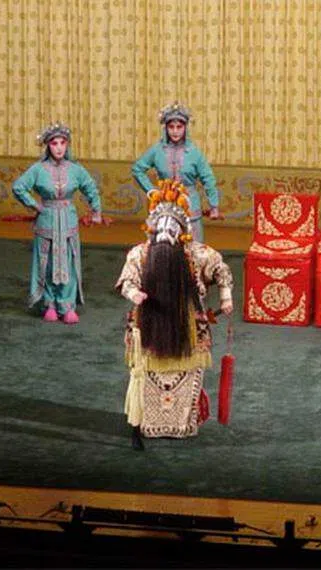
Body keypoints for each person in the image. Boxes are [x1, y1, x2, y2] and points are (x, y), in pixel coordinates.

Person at [115, 179, 233, 450]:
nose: (165, 236)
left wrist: (226, 296)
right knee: (146, 376)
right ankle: (146, 422)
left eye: (172, 229)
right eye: (160, 229)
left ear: (182, 233)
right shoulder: (140, 254)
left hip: (188, 327)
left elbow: (222, 270)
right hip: (149, 325)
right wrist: (134, 294)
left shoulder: (198, 254)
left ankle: (183, 423)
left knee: (187, 374)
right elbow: (126, 281)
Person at [11, 121, 103, 323]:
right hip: (47, 220)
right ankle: (49, 304)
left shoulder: (75, 169)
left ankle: (67, 305)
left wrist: (96, 210)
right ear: (48, 146)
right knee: (47, 262)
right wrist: (35, 205)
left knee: (68, 261)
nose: (59, 148)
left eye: (63, 143)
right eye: (54, 143)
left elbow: (90, 188)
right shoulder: (38, 169)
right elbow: (18, 187)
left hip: (68, 220)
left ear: (67, 145)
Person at [131, 101, 221, 243]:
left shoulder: (194, 153)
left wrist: (214, 206)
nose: (175, 131)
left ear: (185, 128)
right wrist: (151, 191)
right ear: (165, 128)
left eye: (179, 127)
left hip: (190, 207)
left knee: (193, 248)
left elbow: (208, 179)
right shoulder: (157, 150)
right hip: (163, 208)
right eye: (171, 127)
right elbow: (137, 169)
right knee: (162, 246)